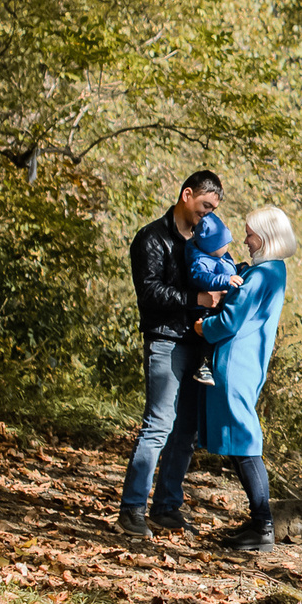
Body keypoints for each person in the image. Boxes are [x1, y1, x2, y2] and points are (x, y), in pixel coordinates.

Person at [120, 169, 227, 540]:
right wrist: (196, 299)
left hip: (196, 345)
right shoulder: (151, 238)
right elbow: (148, 294)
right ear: (187, 195)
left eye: (213, 210)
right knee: (158, 426)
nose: (208, 215)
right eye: (204, 206)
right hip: (165, 341)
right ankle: (132, 509)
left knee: (185, 432)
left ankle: (167, 507)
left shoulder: (203, 240)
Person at [195, 206, 298, 552]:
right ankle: (258, 523)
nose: (246, 239)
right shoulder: (274, 271)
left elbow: (228, 322)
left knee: (244, 442)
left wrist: (201, 327)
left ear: (266, 237)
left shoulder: (259, 277)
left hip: (234, 364)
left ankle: (262, 526)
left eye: (251, 233)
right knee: (241, 442)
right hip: (248, 363)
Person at [184, 210, 245, 387]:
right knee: (207, 334)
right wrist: (226, 280)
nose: (227, 248)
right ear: (211, 246)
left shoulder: (220, 255)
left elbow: (228, 267)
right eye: (223, 245)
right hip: (205, 307)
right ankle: (203, 366)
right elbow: (203, 278)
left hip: (219, 302)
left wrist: (240, 269)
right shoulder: (200, 261)